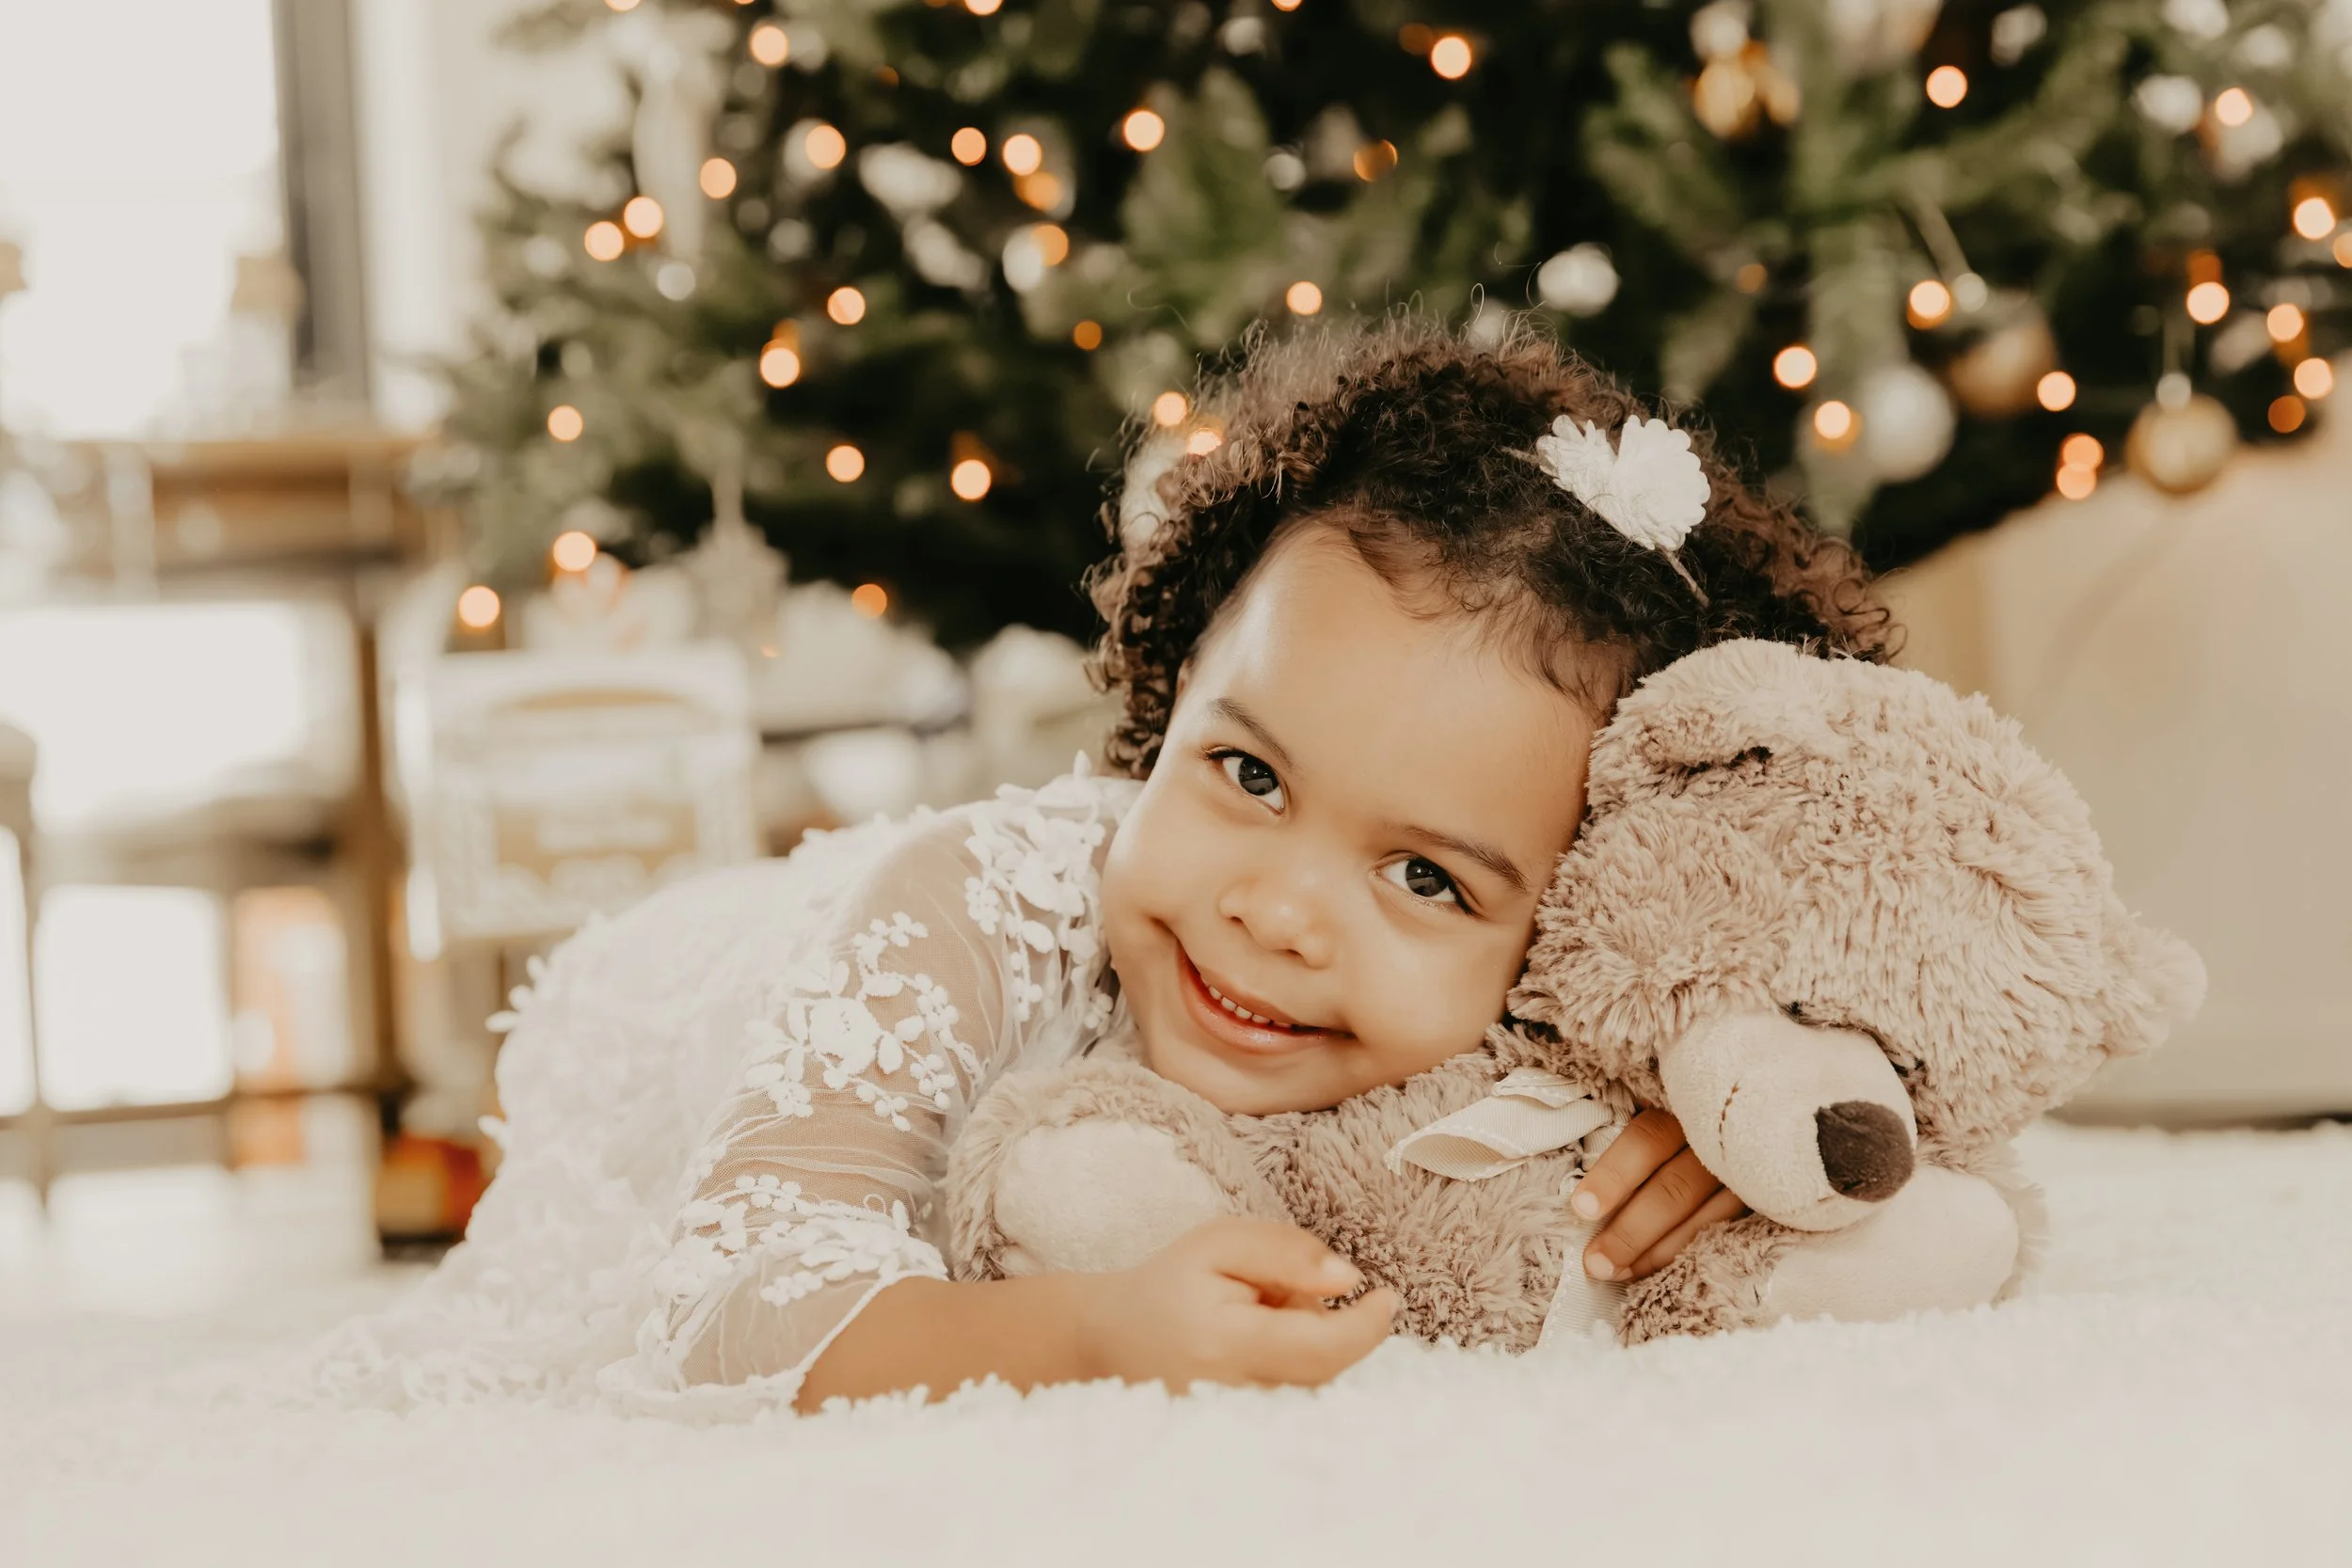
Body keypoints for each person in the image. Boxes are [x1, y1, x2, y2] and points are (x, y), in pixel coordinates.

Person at [312, 315, 1886, 1418]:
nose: (1272, 907)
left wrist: (1690, 1113)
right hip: (699, 1025)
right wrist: (1086, 1332)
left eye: (1428, 880)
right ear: (1172, 695)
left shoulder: (1563, 991)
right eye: (1248, 772)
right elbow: (724, 1312)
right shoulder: (971, 910)